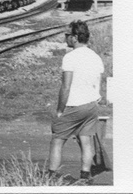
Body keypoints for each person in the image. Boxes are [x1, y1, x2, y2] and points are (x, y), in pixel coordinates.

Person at [47, 20, 105, 183]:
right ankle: (85, 176)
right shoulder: (95, 57)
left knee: (57, 140)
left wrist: (59, 111)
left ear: (74, 37)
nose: (65, 38)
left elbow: (66, 87)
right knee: (85, 139)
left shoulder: (70, 57)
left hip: (74, 104)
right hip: (91, 105)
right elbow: (97, 83)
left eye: (67, 35)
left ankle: (52, 176)